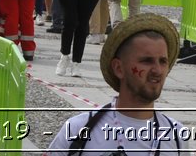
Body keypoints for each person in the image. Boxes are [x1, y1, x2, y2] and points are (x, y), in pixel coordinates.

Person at [45, 14, 187, 156]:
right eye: (147, 61)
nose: (157, 70)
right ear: (118, 68)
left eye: (163, 61)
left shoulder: (177, 138)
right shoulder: (78, 130)